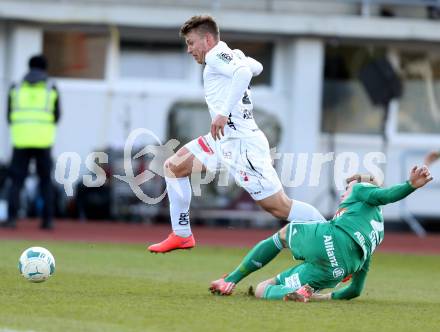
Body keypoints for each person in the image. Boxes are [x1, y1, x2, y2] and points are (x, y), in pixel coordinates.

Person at [148, 15, 324, 253]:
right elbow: (256, 68)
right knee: (174, 166)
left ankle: (332, 237)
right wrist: (243, 61)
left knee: (279, 207)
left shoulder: (214, 55)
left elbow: (243, 73)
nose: (189, 49)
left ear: (207, 39)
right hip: (222, 140)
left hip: (242, 144)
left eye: (191, 43)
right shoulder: (227, 54)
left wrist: (221, 112)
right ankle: (181, 234)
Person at [209, 165, 432, 301]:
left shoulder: (363, 190)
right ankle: (295, 293)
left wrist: (409, 185)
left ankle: (230, 281)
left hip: (332, 238)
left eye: (348, 187)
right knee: (262, 289)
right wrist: (325, 296)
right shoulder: (376, 231)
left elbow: (387, 196)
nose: (345, 192)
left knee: (282, 235)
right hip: (339, 268)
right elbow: (355, 289)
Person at [1, 55, 61, 230]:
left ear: (29, 67)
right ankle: (48, 220)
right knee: (45, 181)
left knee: (16, 181)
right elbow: (57, 116)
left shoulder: (16, 87)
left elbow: (8, 115)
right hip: (43, 141)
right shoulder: (51, 87)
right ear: (45, 68)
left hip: (21, 140)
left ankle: (12, 219)